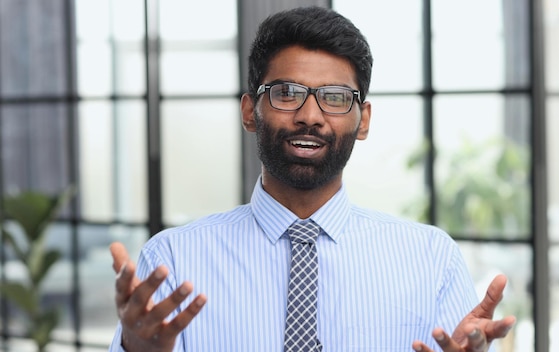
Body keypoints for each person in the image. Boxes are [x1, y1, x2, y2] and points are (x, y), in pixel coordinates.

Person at [109, 6, 516, 352]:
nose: (310, 115)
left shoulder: (431, 259)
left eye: (336, 97)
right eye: (287, 93)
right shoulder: (174, 260)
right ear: (251, 111)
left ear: (363, 121)